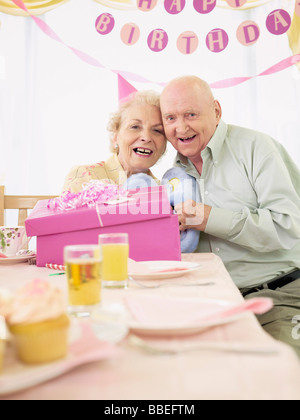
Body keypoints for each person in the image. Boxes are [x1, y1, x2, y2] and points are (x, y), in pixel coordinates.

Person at [160, 75, 300, 356]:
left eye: (190, 114)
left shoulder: (257, 148)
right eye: (171, 118)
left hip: (279, 297)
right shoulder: (171, 178)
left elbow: (288, 228)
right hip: (212, 304)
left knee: (281, 373)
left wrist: (208, 217)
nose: (181, 127)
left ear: (216, 111)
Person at [62, 90, 167, 193]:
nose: (146, 137)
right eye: (135, 127)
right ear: (115, 137)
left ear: (165, 146)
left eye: (157, 130)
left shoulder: (163, 191)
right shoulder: (85, 177)